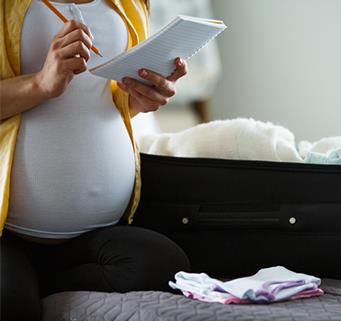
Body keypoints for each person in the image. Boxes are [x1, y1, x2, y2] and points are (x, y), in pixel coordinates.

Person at [0, 0, 190, 320]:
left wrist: (141, 100)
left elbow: (104, 103)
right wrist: (40, 83)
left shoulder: (130, 5)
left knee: (163, 262)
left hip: (93, 233)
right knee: (10, 305)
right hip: (8, 232)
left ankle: (38, 282)